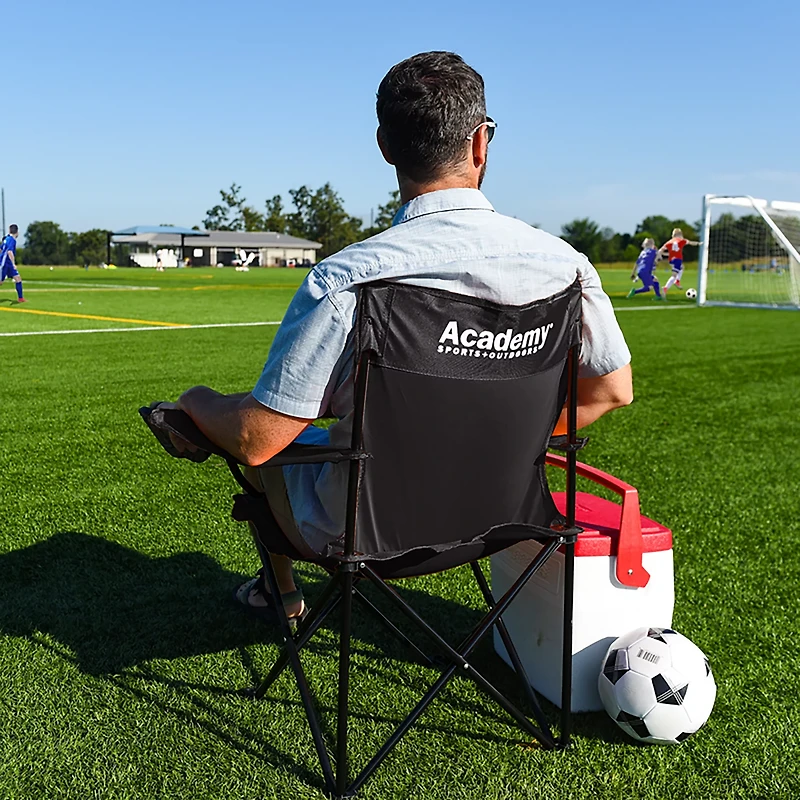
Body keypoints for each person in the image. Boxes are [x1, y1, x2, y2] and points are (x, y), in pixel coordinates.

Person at [161, 51, 634, 623]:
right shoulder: (567, 267)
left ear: (385, 147)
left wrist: (196, 401)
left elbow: (260, 438)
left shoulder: (350, 279)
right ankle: (278, 593)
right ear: (481, 143)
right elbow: (611, 391)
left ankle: (282, 595)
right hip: (504, 513)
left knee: (276, 451)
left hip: (366, 531)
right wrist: (498, 445)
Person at [659, 228, 701, 294]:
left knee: (682, 267)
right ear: (680, 234)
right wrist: (698, 243)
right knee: (674, 275)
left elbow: (660, 250)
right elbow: (691, 243)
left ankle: (677, 281)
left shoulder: (669, 242)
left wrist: (660, 256)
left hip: (671, 260)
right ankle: (665, 288)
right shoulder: (682, 241)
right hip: (677, 259)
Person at [0, 224, 25, 303]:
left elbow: (1, 249)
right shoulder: (12, 240)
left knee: (18, 278)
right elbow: (10, 252)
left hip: (7, 263)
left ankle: (20, 298)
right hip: (4, 264)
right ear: (17, 232)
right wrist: (13, 263)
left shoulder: (6, 239)